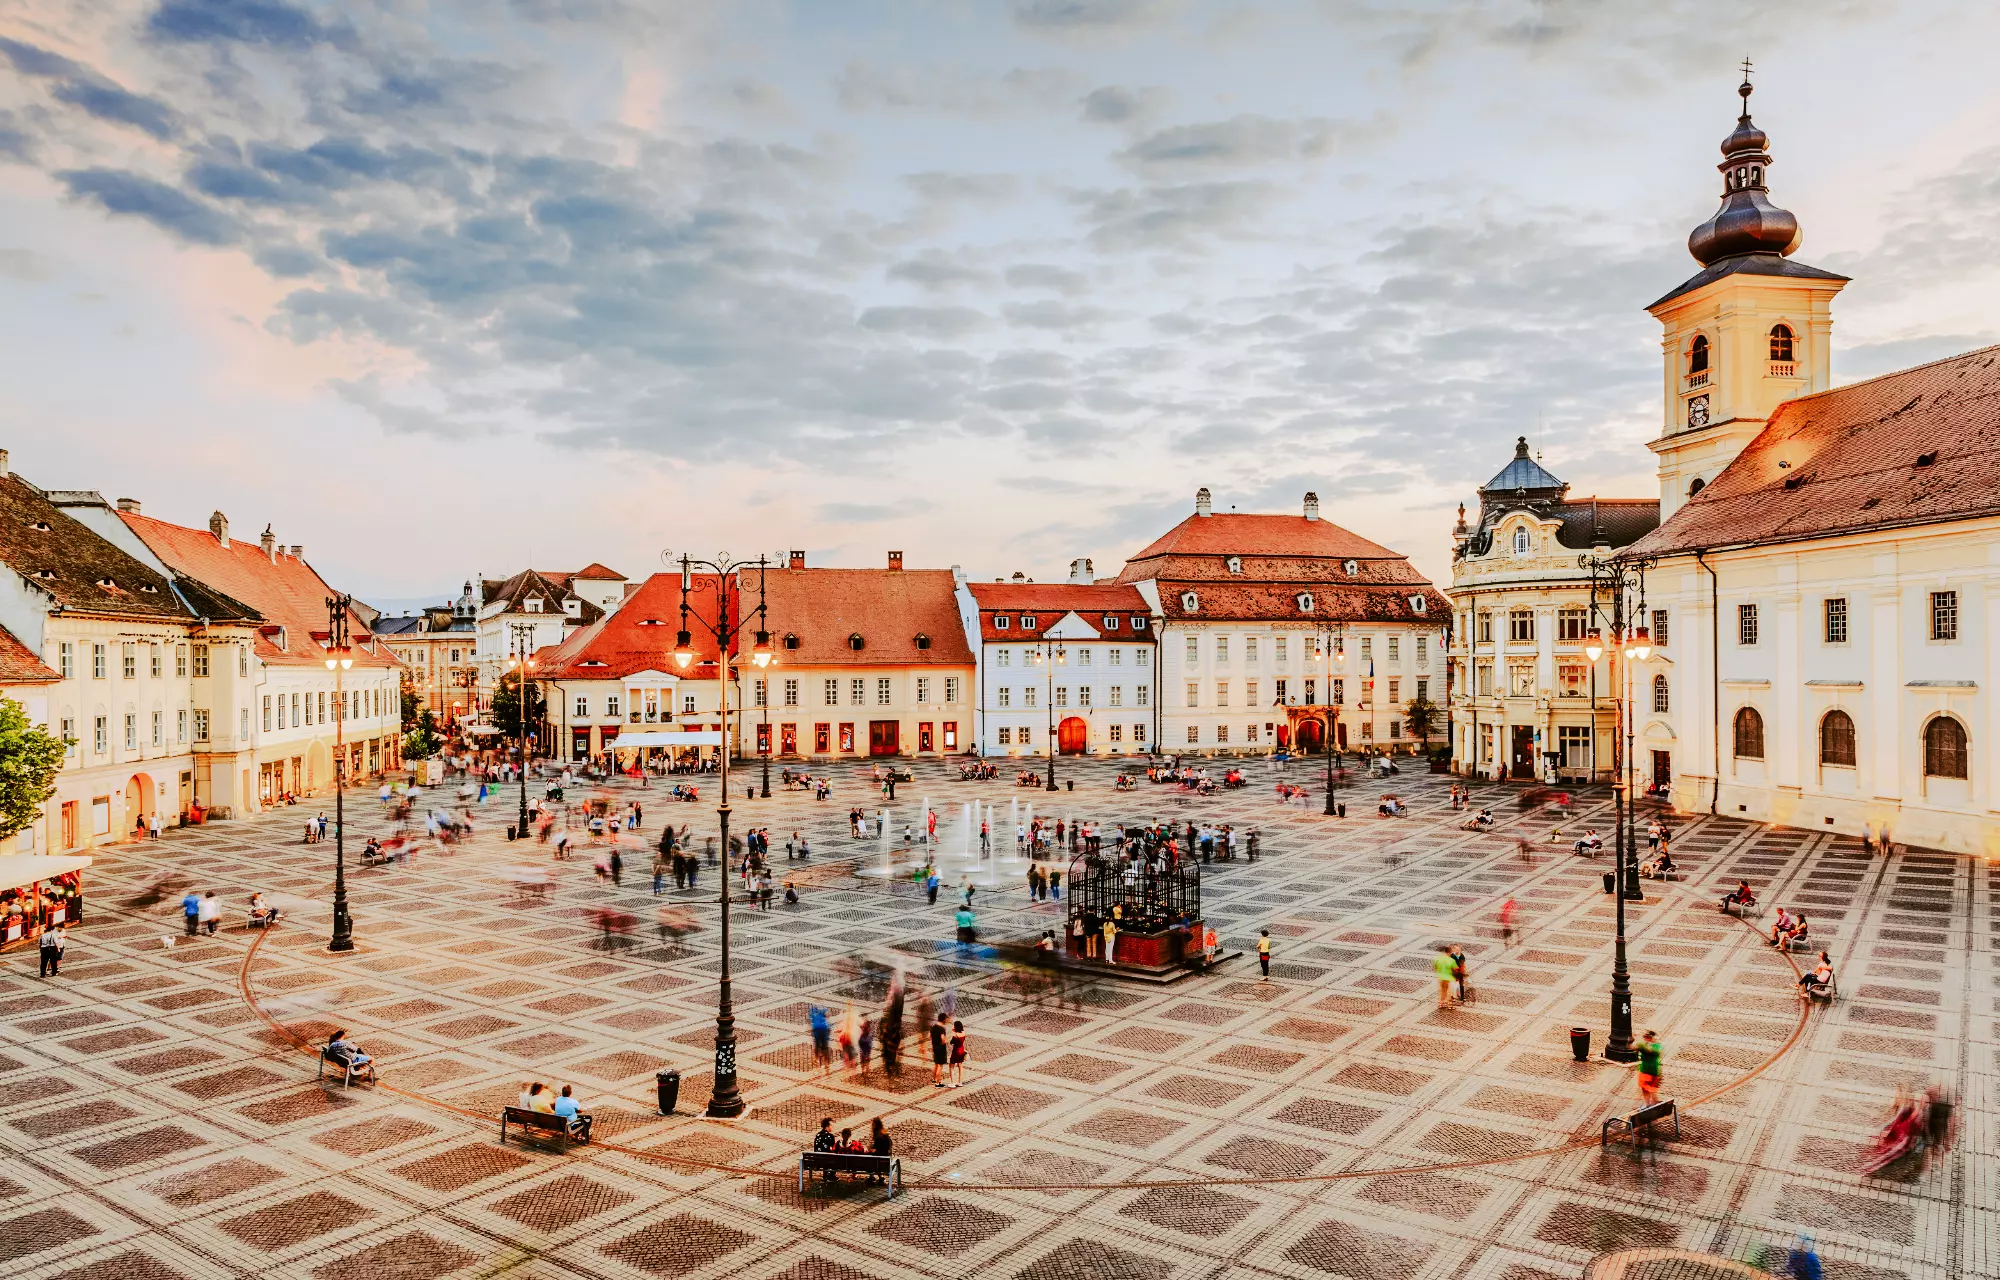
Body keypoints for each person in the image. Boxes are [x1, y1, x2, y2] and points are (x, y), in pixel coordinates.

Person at [1635, 1030, 1663, 1105]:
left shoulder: (1655, 1046)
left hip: (1650, 1071)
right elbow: (1633, 1048)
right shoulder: (1653, 1045)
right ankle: (1650, 1104)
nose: (1646, 1039)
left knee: (1650, 1089)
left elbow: (1651, 1051)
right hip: (1650, 1070)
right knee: (1647, 1089)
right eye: (1645, 1037)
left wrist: (1642, 1045)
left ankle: (1653, 1104)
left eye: (1647, 1037)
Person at [930, 1013, 949, 1087]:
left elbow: (930, 1036)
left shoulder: (933, 1027)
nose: (947, 1020)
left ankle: (934, 1079)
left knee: (935, 1064)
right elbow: (943, 1040)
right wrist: (946, 1041)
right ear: (944, 1019)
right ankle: (938, 1083)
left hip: (934, 1047)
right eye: (946, 1019)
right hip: (941, 1048)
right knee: (940, 1066)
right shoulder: (942, 1029)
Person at [948, 1018, 968, 1088]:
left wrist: (953, 1032)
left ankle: (952, 1083)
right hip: (961, 1050)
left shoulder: (955, 1035)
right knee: (960, 1066)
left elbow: (951, 1042)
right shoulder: (964, 1033)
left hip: (956, 1051)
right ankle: (960, 1082)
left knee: (951, 1066)